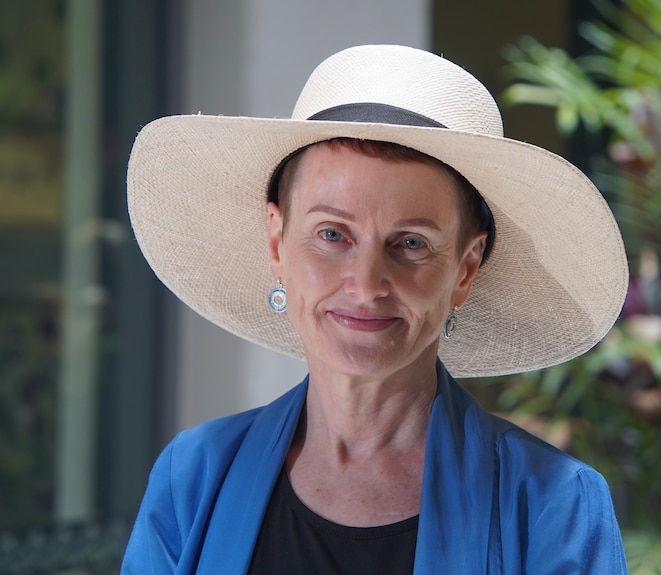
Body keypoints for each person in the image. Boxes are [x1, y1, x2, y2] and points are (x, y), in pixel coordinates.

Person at [122, 44, 629, 574]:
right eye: (333, 234)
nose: (366, 285)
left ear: (465, 268)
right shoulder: (195, 476)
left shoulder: (553, 506)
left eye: (410, 243)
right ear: (277, 244)